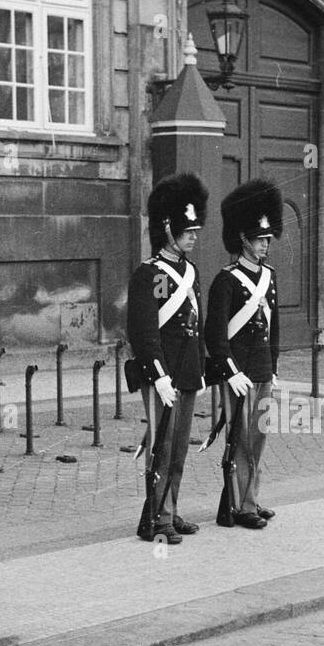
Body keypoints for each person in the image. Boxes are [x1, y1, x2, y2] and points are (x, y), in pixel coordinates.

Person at [126, 172, 207, 545]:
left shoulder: (191, 272)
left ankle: (167, 512)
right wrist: (158, 375)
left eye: (195, 229)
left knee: (178, 448)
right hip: (162, 375)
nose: (193, 235)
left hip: (186, 372)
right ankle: (156, 519)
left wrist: (200, 372)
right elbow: (144, 332)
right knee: (161, 446)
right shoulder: (149, 274)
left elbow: (196, 327)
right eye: (186, 229)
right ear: (168, 228)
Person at [206, 178, 282, 529]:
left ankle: (250, 498)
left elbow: (274, 328)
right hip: (237, 373)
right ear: (243, 240)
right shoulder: (226, 280)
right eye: (259, 239)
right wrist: (230, 370)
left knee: (258, 437)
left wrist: (274, 367)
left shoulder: (270, 277)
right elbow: (215, 333)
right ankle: (240, 506)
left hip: (262, 369)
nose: (265, 245)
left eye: (267, 239)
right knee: (240, 440)